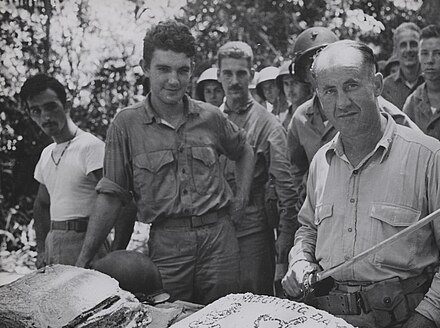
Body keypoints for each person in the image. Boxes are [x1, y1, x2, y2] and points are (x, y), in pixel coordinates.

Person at [282, 40, 440, 328]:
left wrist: (429, 315)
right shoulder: (322, 162)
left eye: (351, 86)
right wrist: (300, 260)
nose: (342, 102)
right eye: (329, 91)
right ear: (317, 97)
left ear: (376, 85)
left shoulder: (428, 157)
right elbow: (307, 229)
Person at [76, 20, 256, 305]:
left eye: (182, 70)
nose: (174, 80)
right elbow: (112, 195)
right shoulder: (126, 125)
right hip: (168, 244)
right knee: (167, 322)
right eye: (163, 69)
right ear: (145, 67)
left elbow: (244, 150)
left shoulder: (211, 117)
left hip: (219, 240)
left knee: (226, 320)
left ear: (191, 70)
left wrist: (241, 200)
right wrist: (84, 258)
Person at [286, 27, 421, 212]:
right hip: (323, 209)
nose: (316, 65)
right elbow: (295, 166)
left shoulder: (371, 105)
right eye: (309, 63)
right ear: (302, 73)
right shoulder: (300, 117)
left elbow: (415, 145)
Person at [20, 74, 134, 268]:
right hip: (54, 245)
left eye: (50, 106)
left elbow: (124, 202)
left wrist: (115, 254)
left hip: (87, 245)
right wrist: (41, 249)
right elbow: (41, 204)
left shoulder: (90, 147)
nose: (45, 117)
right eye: (36, 111)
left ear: (66, 104)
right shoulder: (47, 154)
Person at [217, 41, 297, 295]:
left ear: (251, 76)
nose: (234, 80)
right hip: (215, 233)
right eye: (227, 73)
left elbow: (287, 190)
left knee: (253, 304)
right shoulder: (210, 119)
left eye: (241, 73)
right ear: (218, 75)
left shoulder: (268, 125)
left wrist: (284, 239)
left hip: (252, 231)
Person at [381, 22, 425, 109]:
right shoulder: (385, 87)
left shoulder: (431, 81)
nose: (408, 50)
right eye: (403, 45)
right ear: (396, 50)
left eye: (413, 44)